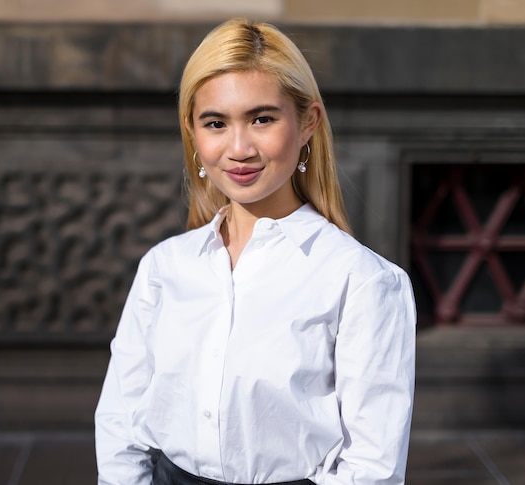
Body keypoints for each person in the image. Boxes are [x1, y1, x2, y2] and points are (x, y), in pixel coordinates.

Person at [95, 18, 416, 485]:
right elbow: (122, 417)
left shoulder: (361, 280)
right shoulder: (165, 267)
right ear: (193, 132)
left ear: (308, 123)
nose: (239, 148)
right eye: (216, 122)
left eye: (262, 118)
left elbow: (373, 465)